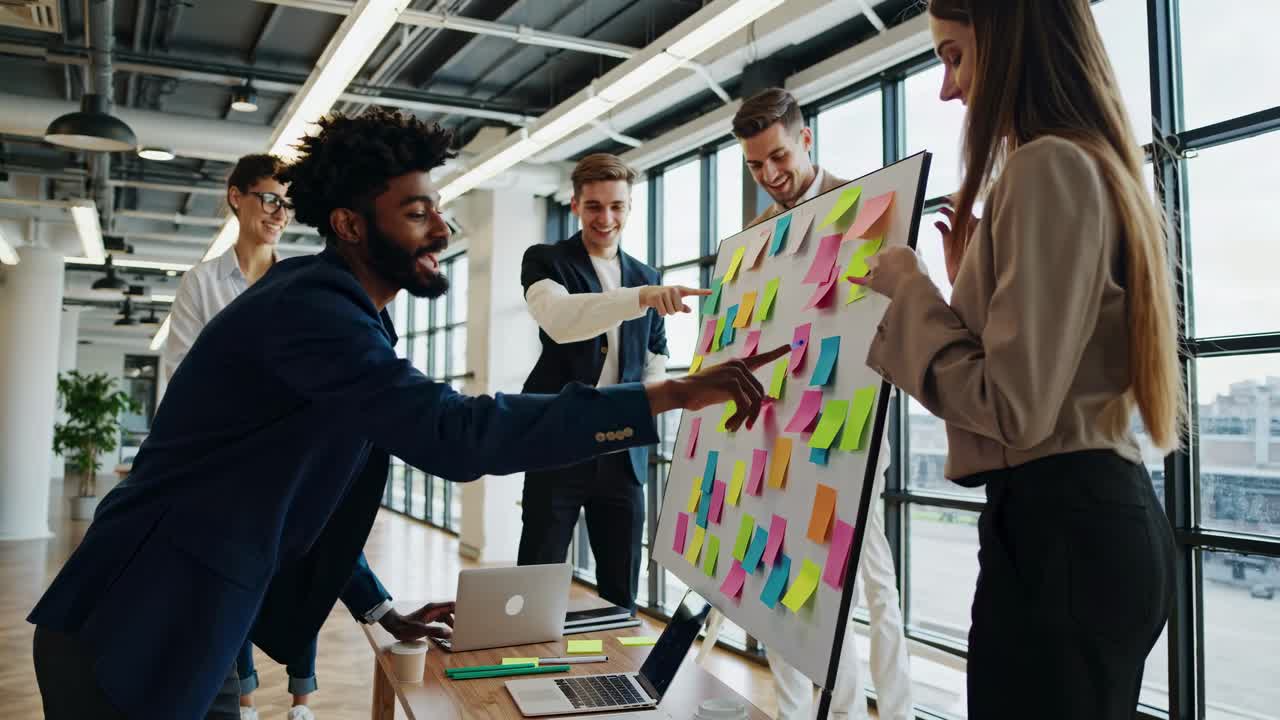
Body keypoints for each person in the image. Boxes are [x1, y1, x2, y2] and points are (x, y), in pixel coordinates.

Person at [28, 107, 788, 720]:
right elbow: (459, 434)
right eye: (417, 212)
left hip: (197, 610)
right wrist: (670, 393)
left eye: (440, 209)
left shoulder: (346, 314)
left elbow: (301, 490)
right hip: (136, 621)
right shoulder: (314, 309)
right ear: (351, 226)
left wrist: (378, 605)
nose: (442, 230)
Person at [852, 2, 1179, 718]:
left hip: (1058, 537)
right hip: (1089, 527)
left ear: (1009, 37)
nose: (949, 89)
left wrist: (912, 291)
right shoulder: (1086, 162)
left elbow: (1011, 407)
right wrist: (972, 288)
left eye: (955, 56)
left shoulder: (1045, 166)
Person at [162, 154, 451, 720]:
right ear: (236, 198)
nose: (277, 212)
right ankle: (247, 698)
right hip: (188, 560)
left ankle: (295, 699)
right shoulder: (273, 298)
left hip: (239, 534)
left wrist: (382, 610)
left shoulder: (304, 288)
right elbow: (183, 391)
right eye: (267, 198)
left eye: (284, 203)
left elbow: (319, 518)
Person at [698, 87, 916, 720]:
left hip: (852, 426)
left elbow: (904, 310)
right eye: (754, 165)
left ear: (806, 139)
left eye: (778, 156)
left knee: (872, 582)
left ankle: (896, 712)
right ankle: (811, 713)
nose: (770, 176)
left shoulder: (873, 206)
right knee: (783, 579)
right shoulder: (757, 236)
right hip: (783, 432)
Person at [518, 153, 708, 611]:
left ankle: (614, 681)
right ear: (575, 206)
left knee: (621, 592)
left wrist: (652, 395)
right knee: (536, 583)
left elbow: (655, 355)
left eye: (617, 206)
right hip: (557, 443)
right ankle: (523, 670)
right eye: (595, 207)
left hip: (623, 453)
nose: (607, 218)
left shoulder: (647, 275)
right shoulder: (545, 260)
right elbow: (561, 321)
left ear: (629, 207)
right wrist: (639, 298)